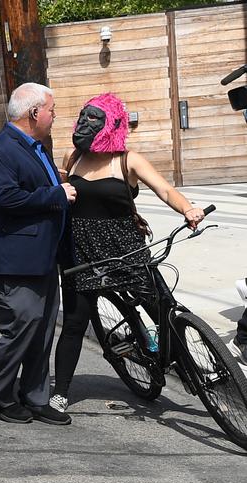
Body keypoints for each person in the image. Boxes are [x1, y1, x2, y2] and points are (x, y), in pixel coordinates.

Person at [52, 93, 206, 412]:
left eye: (94, 119)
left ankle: (189, 368)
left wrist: (188, 209)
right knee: (75, 324)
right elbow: (62, 193)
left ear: (112, 125)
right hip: (82, 253)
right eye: (83, 118)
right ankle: (61, 391)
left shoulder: (128, 159)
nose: (85, 124)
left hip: (126, 249)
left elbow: (164, 189)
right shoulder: (74, 156)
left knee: (163, 309)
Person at [0, 82, 76, 426]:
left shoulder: (36, 146)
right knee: (23, 325)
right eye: (52, 109)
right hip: (12, 260)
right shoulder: (2, 149)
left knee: (42, 330)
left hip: (42, 258)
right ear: (34, 113)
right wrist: (56, 195)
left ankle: (35, 396)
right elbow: (5, 198)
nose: (55, 116)